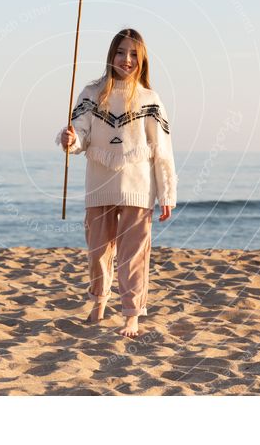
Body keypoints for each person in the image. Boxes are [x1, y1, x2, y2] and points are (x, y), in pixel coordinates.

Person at [55, 28, 178, 338]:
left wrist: (167, 193)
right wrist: (69, 139)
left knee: (133, 254)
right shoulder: (91, 93)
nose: (127, 59)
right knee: (97, 251)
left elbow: (163, 149)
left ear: (143, 59)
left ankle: (132, 315)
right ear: (111, 56)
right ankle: (98, 303)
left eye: (134, 54)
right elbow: (80, 136)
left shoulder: (150, 99)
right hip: (99, 184)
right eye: (121, 52)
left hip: (138, 186)